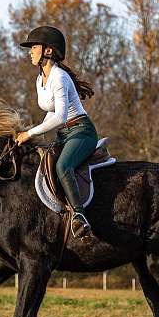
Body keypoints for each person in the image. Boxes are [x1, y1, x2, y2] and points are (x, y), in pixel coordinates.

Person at [16, 25, 98, 239]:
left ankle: (79, 216)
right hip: (64, 135)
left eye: (34, 47)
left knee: (63, 166)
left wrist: (31, 133)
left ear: (48, 51)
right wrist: (33, 138)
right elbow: (51, 113)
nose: (30, 52)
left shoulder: (59, 77)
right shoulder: (39, 80)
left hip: (82, 132)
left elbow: (61, 117)